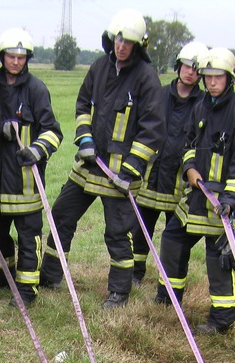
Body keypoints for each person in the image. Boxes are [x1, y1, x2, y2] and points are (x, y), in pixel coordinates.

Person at [39, 9, 164, 308]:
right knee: (61, 216)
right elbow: (83, 103)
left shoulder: (146, 78)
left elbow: (153, 128)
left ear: (138, 45)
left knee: (118, 233)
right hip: (88, 165)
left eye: (128, 42)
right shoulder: (99, 67)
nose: (122, 46)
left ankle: (119, 291)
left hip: (120, 174)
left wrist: (133, 168)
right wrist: (84, 137)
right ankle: (51, 275)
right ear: (112, 38)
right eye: (118, 39)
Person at [157, 48, 235, 334]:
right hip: (197, 197)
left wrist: (228, 201)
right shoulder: (201, 106)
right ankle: (167, 298)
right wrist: (189, 169)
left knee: (220, 260)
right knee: (174, 239)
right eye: (208, 77)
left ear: (230, 78)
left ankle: (221, 321)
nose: (212, 82)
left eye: (218, 77)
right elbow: (188, 144)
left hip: (225, 205)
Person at [0, 28, 62, 307]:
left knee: (29, 237)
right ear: (1, 56)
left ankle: (27, 289)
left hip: (26, 181)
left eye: (22, 57)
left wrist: (37, 150)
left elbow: (53, 131)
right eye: (11, 56)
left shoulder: (36, 89)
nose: (16, 61)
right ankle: (2, 276)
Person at [131, 41, 208, 286]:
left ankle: (169, 275)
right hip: (150, 174)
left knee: (174, 234)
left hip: (180, 178)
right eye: (187, 66)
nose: (191, 72)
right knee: (141, 227)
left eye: (197, 69)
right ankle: (135, 272)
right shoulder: (159, 94)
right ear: (178, 66)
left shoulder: (204, 104)